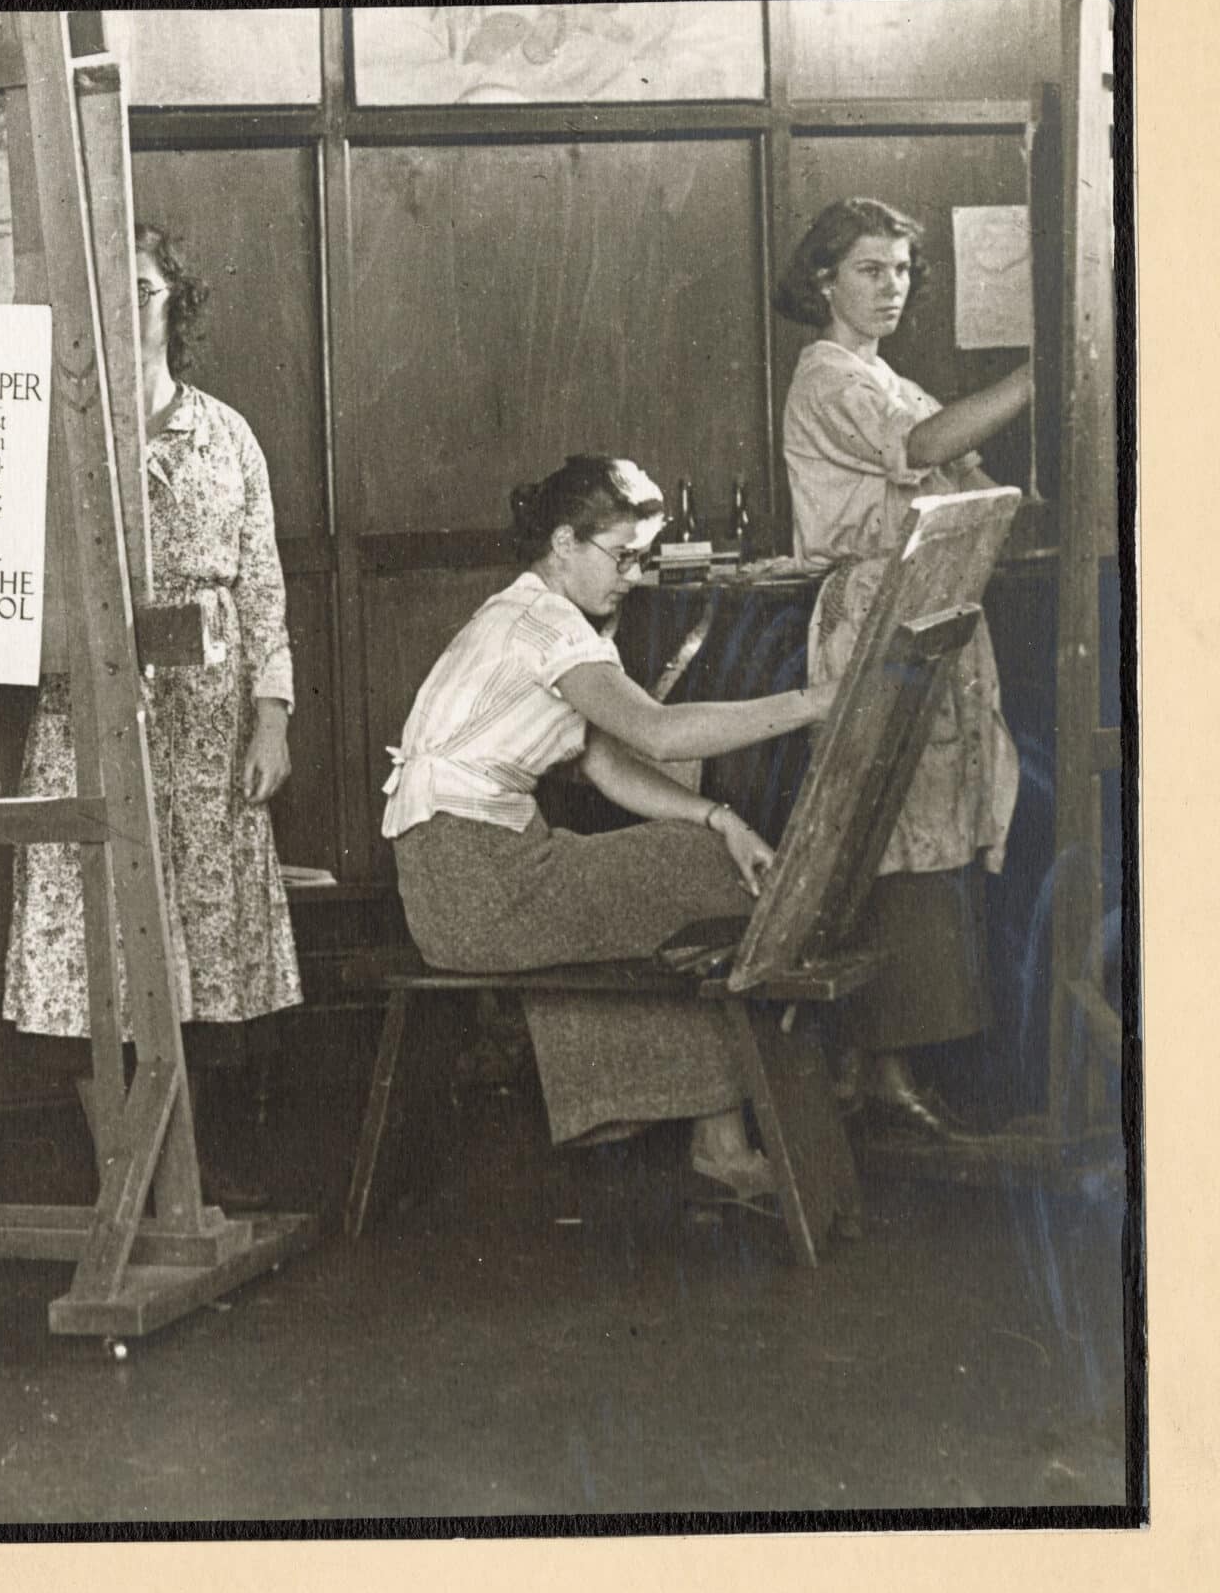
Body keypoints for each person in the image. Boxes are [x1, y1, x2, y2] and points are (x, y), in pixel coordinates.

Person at [381, 456, 835, 1202]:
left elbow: (607, 764)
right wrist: (812, 702)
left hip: (461, 877)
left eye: (641, 557)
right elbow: (655, 733)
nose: (632, 574)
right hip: (475, 881)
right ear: (564, 542)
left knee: (692, 864)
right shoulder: (548, 626)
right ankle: (715, 1139)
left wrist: (718, 817)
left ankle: (692, 1127)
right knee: (699, 876)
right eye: (621, 555)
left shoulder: (524, 613)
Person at [1, 222, 303, 1208]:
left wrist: (273, 716)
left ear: (176, 303)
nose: (125, 308)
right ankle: (121, 1178)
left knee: (196, 953)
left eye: (142, 287)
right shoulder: (57, 439)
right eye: (106, 290)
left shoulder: (225, 433)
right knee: (92, 956)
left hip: (204, 724)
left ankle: (180, 1177)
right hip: (88, 712)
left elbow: (261, 583)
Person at [775, 198, 1029, 1141]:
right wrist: (1036, 375)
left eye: (903, 272)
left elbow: (958, 469)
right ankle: (880, 1067)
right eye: (872, 270)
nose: (892, 287)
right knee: (892, 836)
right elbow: (925, 451)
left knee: (938, 832)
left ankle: (896, 1065)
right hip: (878, 620)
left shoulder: (887, 378)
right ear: (823, 282)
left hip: (929, 609)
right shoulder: (827, 378)